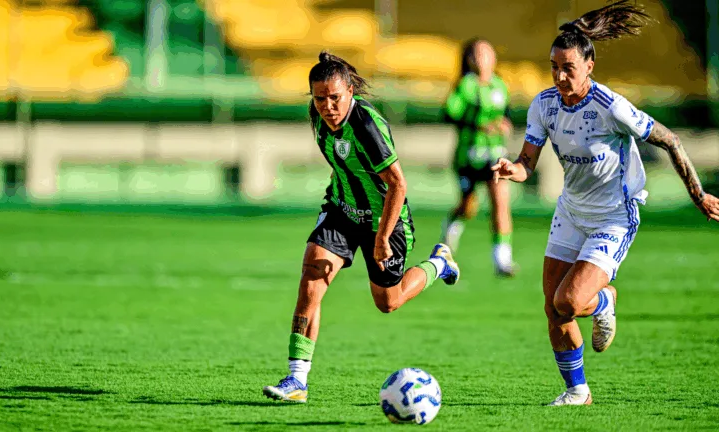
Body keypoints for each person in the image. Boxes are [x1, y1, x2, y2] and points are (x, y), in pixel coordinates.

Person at [490, 0, 719, 406]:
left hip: (613, 218)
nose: (560, 76)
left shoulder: (610, 107)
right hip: (571, 212)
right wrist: (514, 169)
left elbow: (670, 139)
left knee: (571, 301)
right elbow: (529, 163)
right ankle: (577, 391)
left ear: (589, 66)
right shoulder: (544, 105)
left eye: (568, 68)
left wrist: (698, 194)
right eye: (554, 67)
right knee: (553, 308)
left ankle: (604, 299)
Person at [262, 51, 461, 403]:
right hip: (341, 210)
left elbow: (398, 184)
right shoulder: (320, 115)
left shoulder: (367, 126)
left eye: (334, 97)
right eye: (319, 98)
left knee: (389, 301)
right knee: (311, 280)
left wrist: (382, 238)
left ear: (351, 90)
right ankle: (297, 381)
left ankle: (440, 263)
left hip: (385, 220)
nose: (327, 105)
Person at [441, 38, 517, 277]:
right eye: (478, 54)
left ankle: (502, 260)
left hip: (495, 156)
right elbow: (449, 114)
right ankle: (452, 226)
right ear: (469, 60)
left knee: (501, 204)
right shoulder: (466, 86)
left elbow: (504, 115)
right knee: (468, 207)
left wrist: (505, 125)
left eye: (488, 53)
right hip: (469, 156)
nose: (483, 59)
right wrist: (480, 125)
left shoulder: (500, 85)